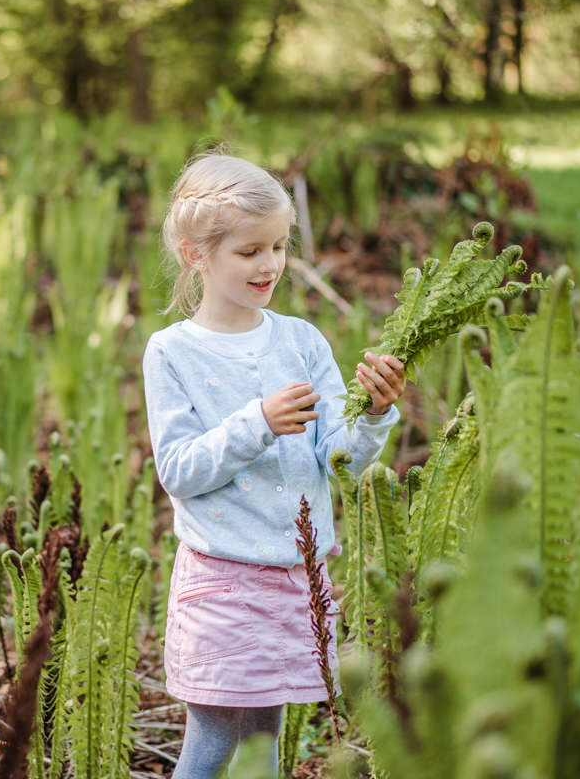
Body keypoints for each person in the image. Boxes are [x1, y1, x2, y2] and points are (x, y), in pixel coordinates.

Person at [141, 152, 405, 778]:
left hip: (296, 576)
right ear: (195, 254)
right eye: (249, 251)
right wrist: (255, 424)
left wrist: (372, 415)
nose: (270, 265)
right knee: (211, 739)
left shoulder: (301, 342)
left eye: (280, 246)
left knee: (265, 740)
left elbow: (337, 460)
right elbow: (178, 469)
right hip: (222, 580)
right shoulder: (172, 353)